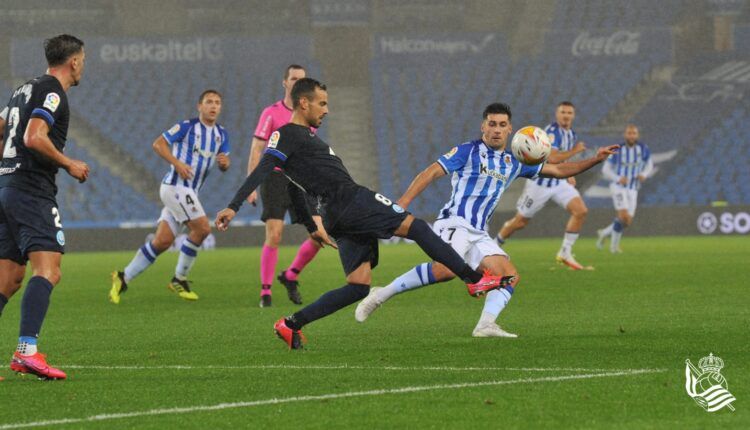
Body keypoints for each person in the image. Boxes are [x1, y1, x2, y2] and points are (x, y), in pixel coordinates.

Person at [215, 78, 508, 349]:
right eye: (322, 103)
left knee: (358, 286)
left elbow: (293, 186)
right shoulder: (287, 134)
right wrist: (234, 205)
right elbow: (264, 168)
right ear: (304, 103)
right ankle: (473, 279)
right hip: (349, 199)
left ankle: (291, 324)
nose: (326, 110)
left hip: (334, 214)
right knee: (417, 227)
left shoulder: (303, 137)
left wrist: (310, 225)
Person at [355, 103, 618, 337]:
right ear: (483, 126)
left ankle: (485, 325)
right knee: (445, 270)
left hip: (479, 233)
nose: (496, 129)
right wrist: (403, 203)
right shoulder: (468, 151)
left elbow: (559, 170)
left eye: (502, 125)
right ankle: (381, 294)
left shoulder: (515, 161)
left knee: (509, 276)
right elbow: (431, 173)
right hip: (454, 222)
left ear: (510, 130)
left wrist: (595, 159)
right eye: (492, 124)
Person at [0, 34, 88, 380]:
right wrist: (68, 164)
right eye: (84, 60)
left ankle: (25, 351)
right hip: (31, 189)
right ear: (75, 61)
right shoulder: (53, 92)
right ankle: (26, 352)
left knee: (8, 277)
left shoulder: (22, 89)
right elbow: (33, 136)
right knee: (48, 269)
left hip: (6, 185)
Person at [109, 90, 230, 303]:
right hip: (175, 187)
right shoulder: (186, 126)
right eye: (209, 102)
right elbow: (158, 144)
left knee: (162, 242)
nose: (213, 106)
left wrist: (224, 164)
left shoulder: (222, 134)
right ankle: (179, 278)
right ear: (199, 106)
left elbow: (224, 163)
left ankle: (123, 277)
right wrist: (177, 163)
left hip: (189, 191)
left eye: (217, 103)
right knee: (202, 229)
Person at [247, 64, 322, 307]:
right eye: (293, 78)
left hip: (301, 179)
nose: (297, 82)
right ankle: (265, 292)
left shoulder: (308, 115)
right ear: (285, 83)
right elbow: (257, 148)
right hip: (275, 177)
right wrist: (251, 184)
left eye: (302, 79)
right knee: (275, 234)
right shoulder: (271, 113)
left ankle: (290, 276)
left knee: (320, 235)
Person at [496, 101, 592, 270]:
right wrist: (576, 151)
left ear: (573, 115)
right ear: (557, 114)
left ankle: (565, 252)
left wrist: (568, 174)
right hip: (539, 183)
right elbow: (553, 158)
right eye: (563, 112)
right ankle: (494, 246)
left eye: (569, 112)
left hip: (558, 182)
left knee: (581, 211)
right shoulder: (551, 132)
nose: (566, 115)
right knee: (520, 222)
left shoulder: (571, 134)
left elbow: (563, 158)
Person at [596, 125, 653, 253]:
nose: (631, 135)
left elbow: (649, 164)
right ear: (625, 135)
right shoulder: (617, 150)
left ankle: (604, 233)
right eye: (629, 133)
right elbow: (605, 169)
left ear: (637, 135)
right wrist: (617, 178)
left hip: (633, 188)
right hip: (618, 187)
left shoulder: (643, 149)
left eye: (634, 133)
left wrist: (644, 174)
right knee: (623, 216)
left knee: (626, 221)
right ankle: (614, 248)